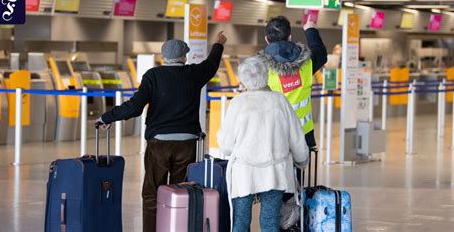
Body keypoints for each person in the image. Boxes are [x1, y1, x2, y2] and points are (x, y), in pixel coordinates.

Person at [95, 31, 227, 232]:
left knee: (152, 191)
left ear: (163, 57)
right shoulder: (194, 74)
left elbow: (135, 107)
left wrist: (107, 117)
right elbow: (212, 63)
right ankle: (179, 227)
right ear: (184, 57)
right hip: (188, 143)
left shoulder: (153, 76)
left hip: (159, 144)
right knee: (182, 190)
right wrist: (218, 43)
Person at [217, 57, 309, 232]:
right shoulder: (279, 100)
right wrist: (302, 160)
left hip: (244, 173)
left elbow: (226, 145)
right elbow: (296, 136)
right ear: (266, 75)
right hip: (274, 171)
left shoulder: (238, 103)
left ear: (243, 79)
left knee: (241, 222)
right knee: (270, 221)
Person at [258, 15, 327, 150]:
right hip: (303, 134)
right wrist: (310, 30)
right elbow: (321, 53)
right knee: (299, 170)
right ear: (290, 37)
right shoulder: (307, 63)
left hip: (273, 133)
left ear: (266, 39)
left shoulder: (261, 67)